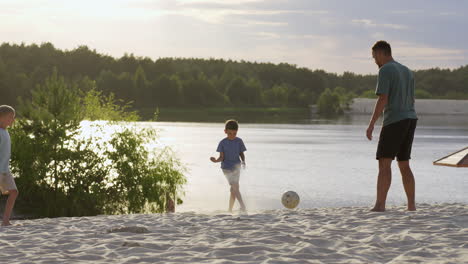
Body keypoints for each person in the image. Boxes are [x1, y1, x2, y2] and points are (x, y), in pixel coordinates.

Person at [366, 41, 418, 212]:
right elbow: (412, 99)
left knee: (384, 163)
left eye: (375, 57)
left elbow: (383, 98)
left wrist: (371, 124)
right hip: (410, 118)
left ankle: (380, 205)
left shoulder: (385, 70)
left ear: (381, 54)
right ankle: (411, 206)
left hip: (395, 120)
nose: (375, 61)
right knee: (404, 164)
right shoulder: (407, 71)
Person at [210, 120, 247, 213]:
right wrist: (215, 161)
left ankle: (230, 209)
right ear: (225, 131)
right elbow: (221, 157)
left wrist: (243, 161)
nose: (232, 135)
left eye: (234, 133)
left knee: (234, 189)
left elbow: (241, 153)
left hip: (236, 166)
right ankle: (243, 206)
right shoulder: (222, 143)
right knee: (234, 187)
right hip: (226, 167)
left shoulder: (239, 141)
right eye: (230, 133)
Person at [0, 105, 19, 226]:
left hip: (5, 169)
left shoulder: (5, 131)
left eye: (14, 117)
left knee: (14, 191)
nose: (13, 120)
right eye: (10, 117)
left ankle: (5, 221)